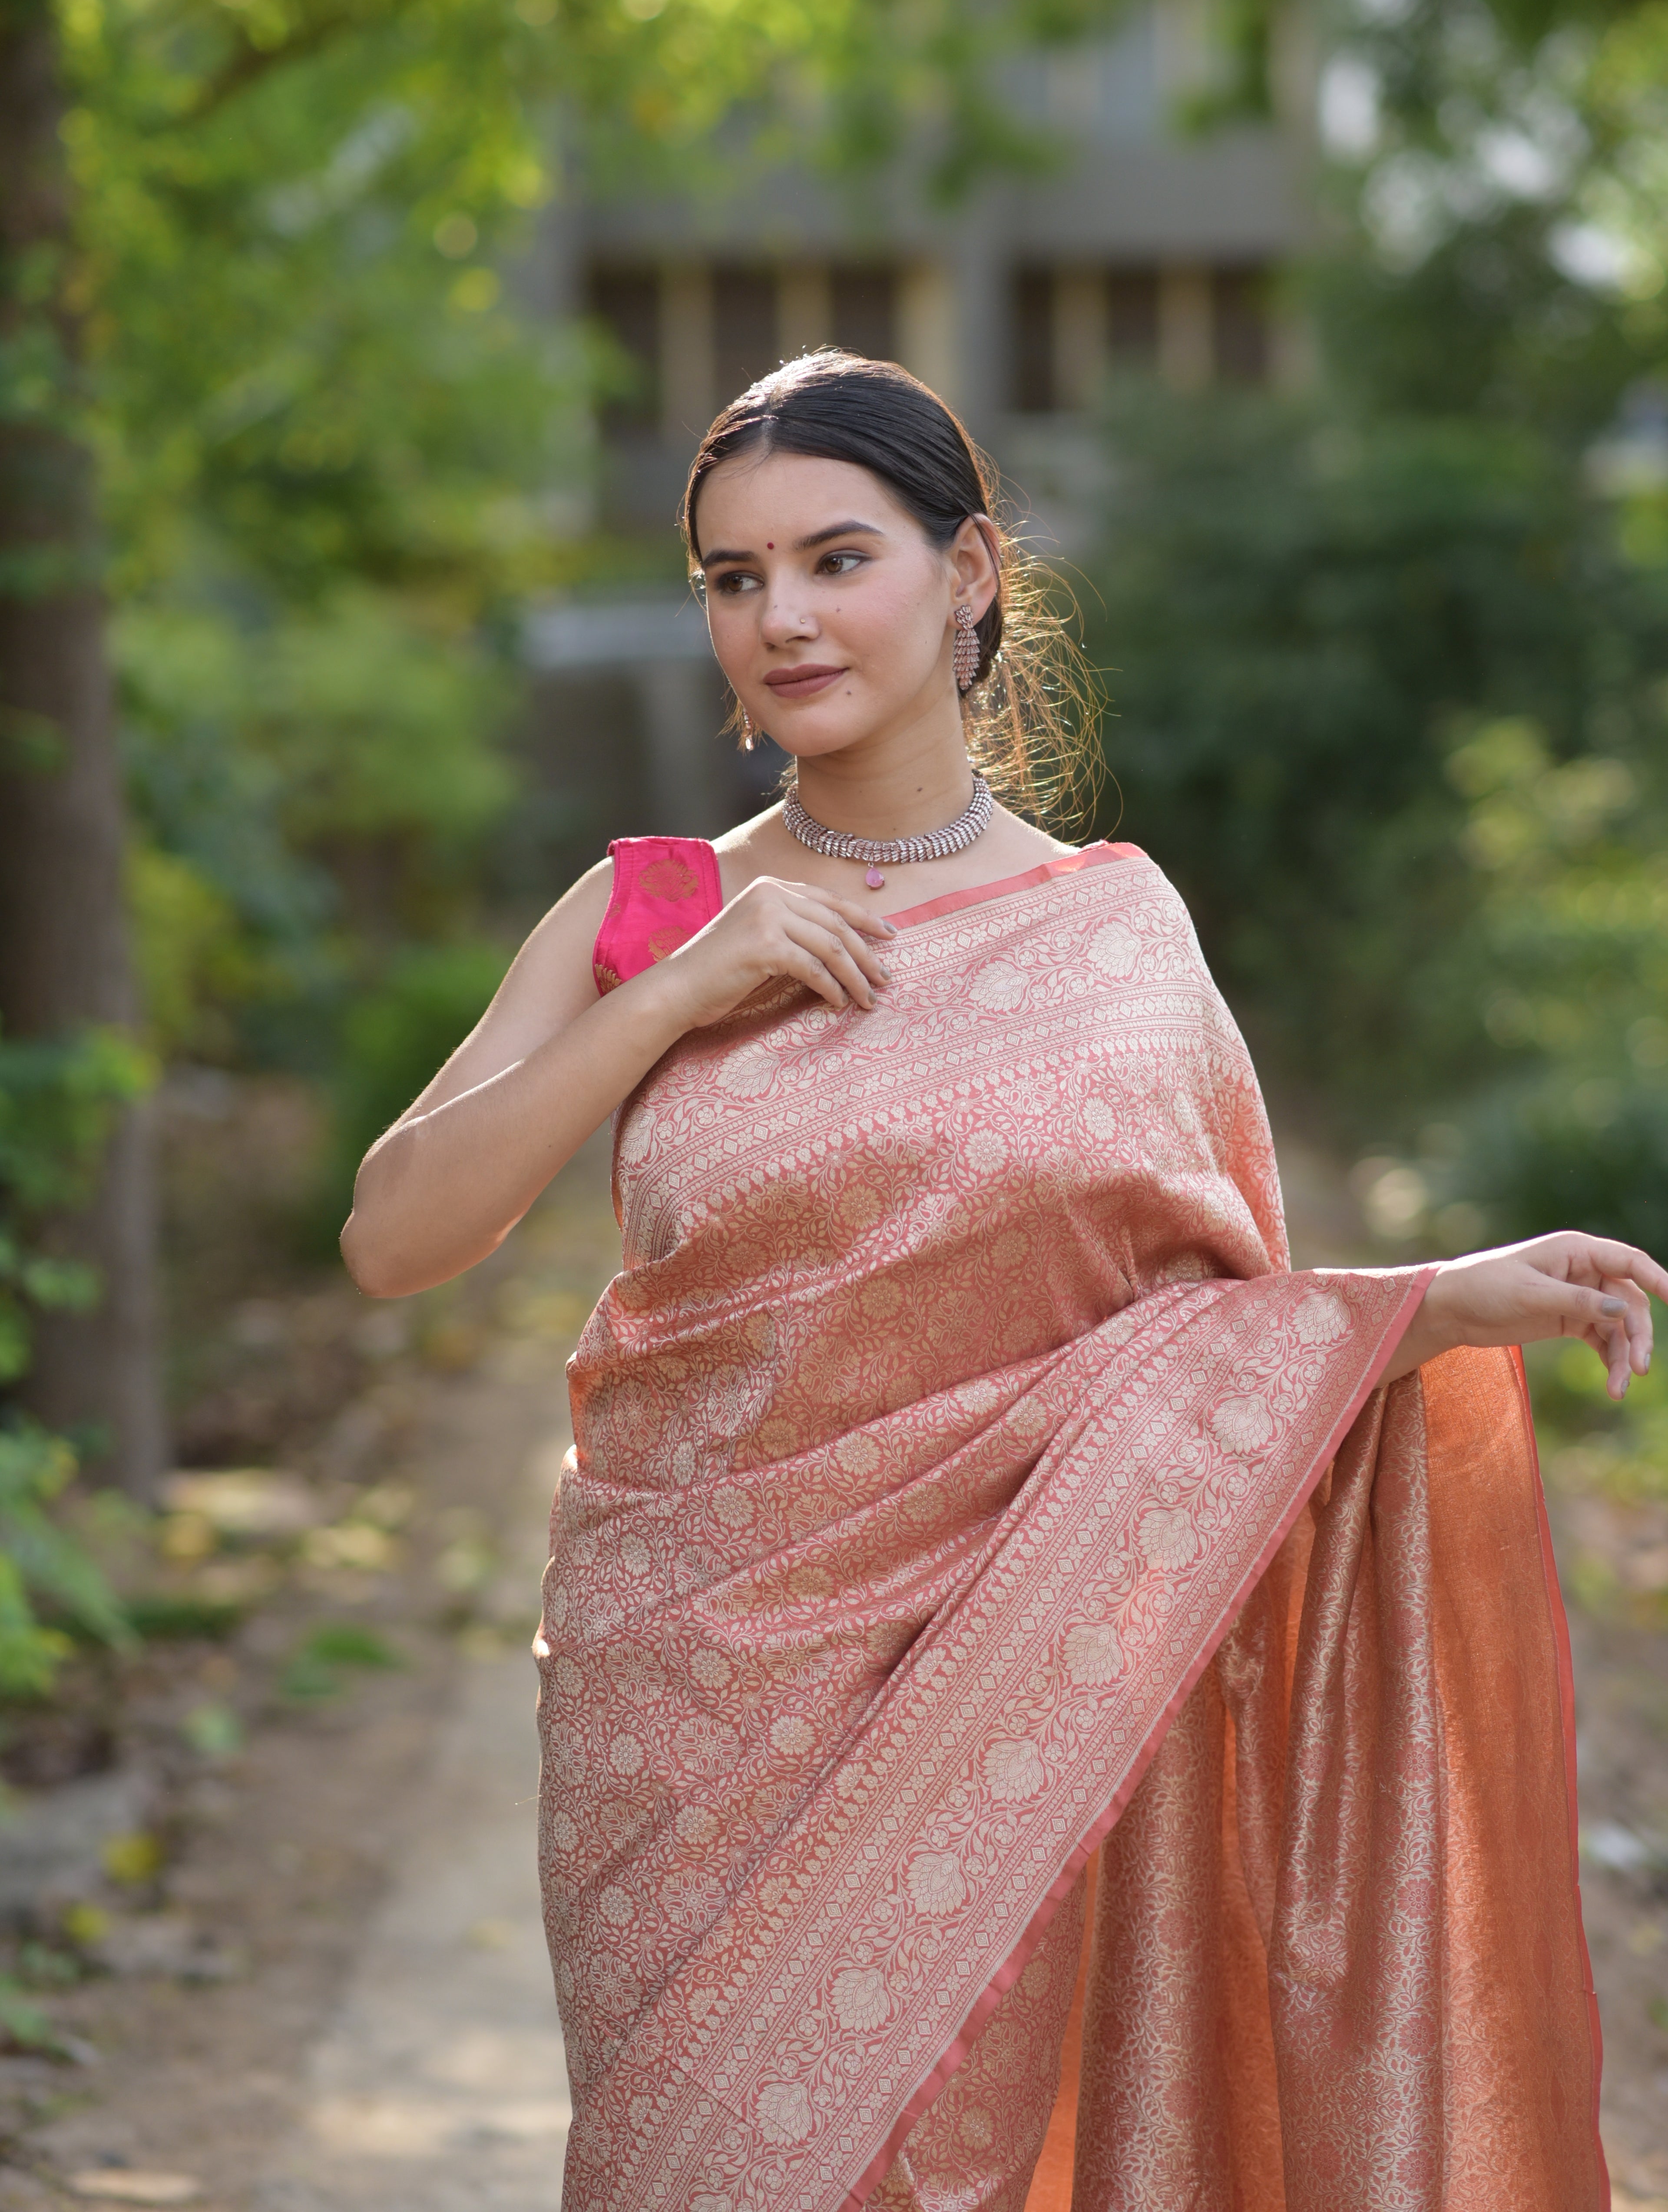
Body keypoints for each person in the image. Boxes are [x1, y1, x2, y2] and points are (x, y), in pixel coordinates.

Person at [342, 350, 1656, 2212]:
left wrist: (1430, 1299)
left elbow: (1194, 1357)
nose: (779, 615)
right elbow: (397, 1232)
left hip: (1021, 1680)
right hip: (688, 1707)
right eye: (732, 577)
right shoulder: (647, 903)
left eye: (834, 557)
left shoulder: (1118, 932)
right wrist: (674, 994)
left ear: (968, 576)